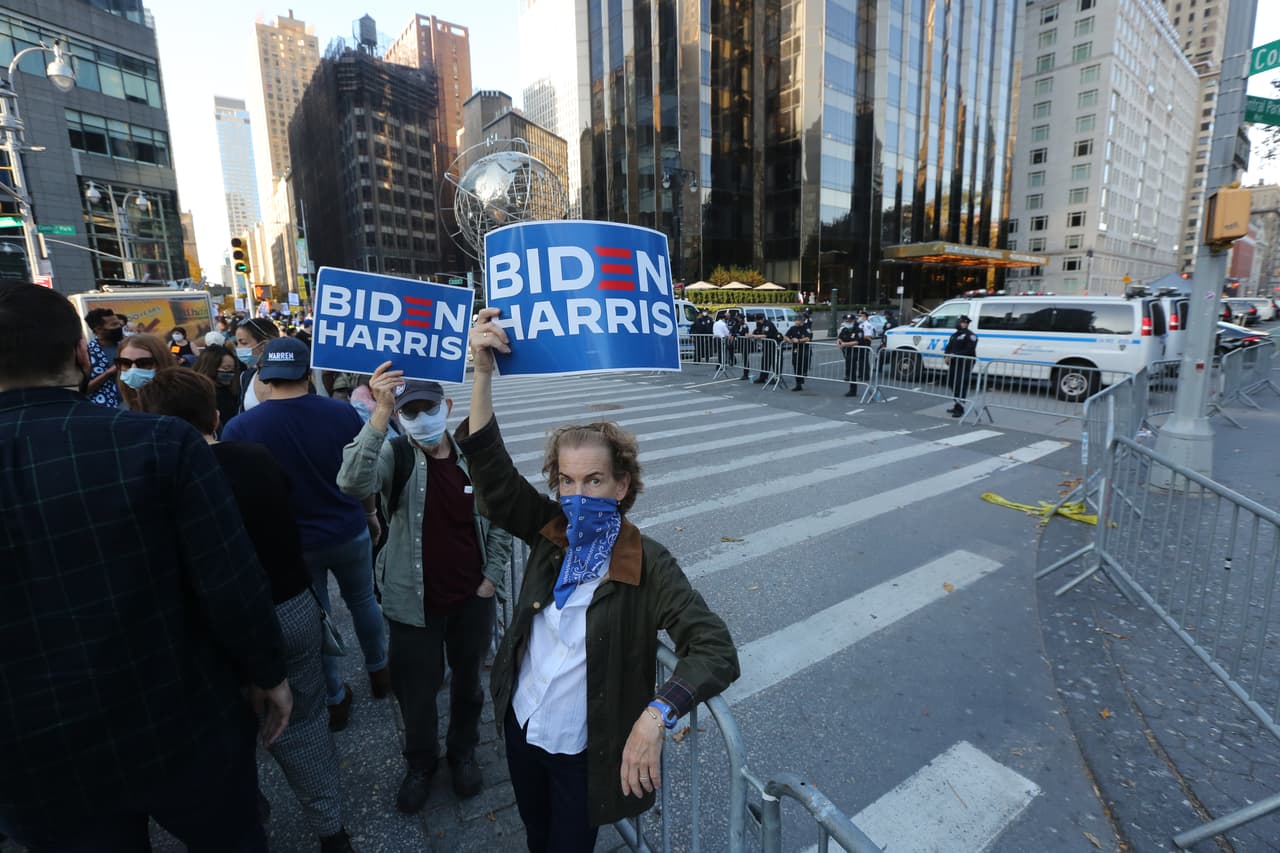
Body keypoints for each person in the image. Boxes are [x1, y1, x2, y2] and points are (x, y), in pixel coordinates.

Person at [0, 284, 290, 853]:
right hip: (176, 718)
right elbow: (227, 578)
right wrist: (267, 671)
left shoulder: (159, 442)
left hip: (32, 753)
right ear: (82, 354)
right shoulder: (160, 443)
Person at [459, 307, 739, 852]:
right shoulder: (551, 532)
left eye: (593, 480)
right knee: (536, 837)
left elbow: (715, 647)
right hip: (523, 723)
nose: (578, 494)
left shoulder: (648, 562)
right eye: (566, 481)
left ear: (621, 486)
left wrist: (658, 713)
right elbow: (492, 473)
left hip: (581, 751)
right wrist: (483, 373)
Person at [138, 370, 356, 853]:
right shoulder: (254, 459)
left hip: (208, 630)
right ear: (215, 416)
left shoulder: (156, 483)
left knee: (227, 730)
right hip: (289, 607)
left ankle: (249, 811)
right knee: (304, 722)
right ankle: (331, 828)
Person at [337, 367, 513, 815]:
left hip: (471, 598)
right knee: (416, 691)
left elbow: (500, 520)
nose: (420, 418)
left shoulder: (472, 457)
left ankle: (462, 752)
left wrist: (491, 577)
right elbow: (352, 482)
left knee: (469, 685)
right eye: (409, 411)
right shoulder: (395, 453)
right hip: (411, 601)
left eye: (428, 408)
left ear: (446, 407)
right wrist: (379, 414)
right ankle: (420, 763)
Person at [222, 336, 390, 731]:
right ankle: (381, 672)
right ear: (306, 374)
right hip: (348, 528)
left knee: (319, 620)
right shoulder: (342, 412)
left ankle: (334, 699)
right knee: (364, 601)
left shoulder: (241, 426)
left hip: (294, 545)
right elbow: (362, 471)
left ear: (264, 375)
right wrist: (370, 514)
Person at [115, 332, 178, 410]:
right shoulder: (123, 409)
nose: (133, 369)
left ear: (161, 362)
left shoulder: (182, 405)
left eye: (144, 363)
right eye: (125, 363)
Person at [233, 317, 281, 412]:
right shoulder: (246, 377)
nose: (238, 348)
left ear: (264, 345)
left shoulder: (293, 376)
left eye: (243, 343)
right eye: (237, 343)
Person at [193, 343, 242, 436]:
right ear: (210, 367)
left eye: (233, 369)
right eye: (225, 368)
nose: (230, 373)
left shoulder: (231, 391)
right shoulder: (197, 394)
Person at [84, 306, 122, 407]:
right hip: (107, 408)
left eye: (119, 323)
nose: (119, 327)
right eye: (114, 324)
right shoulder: (87, 354)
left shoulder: (126, 347)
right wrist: (109, 373)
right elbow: (84, 389)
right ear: (99, 329)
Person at [943, 314, 978, 417]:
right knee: (952, 383)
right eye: (960, 322)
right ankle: (956, 404)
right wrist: (946, 356)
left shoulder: (970, 336)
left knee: (960, 384)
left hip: (965, 363)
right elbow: (949, 347)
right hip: (954, 363)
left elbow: (969, 350)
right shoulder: (955, 335)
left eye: (963, 322)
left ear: (966, 324)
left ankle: (960, 408)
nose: (960, 323)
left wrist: (953, 355)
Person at [836, 313, 869, 397]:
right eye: (847, 321)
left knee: (853, 370)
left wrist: (844, 344)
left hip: (857, 352)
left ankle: (853, 390)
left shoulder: (858, 330)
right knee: (850, 368)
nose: (848, 323)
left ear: (854, 321)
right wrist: (839, 342)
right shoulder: (845, 330)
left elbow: (857, 341)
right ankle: (849, 381)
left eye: (850, 321)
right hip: (848, 352)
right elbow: (840, 338)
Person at [747, 312, 784, 384]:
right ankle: (763, 377)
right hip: (767, 346)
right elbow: (757, 331)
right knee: (765, 362)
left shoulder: (768, 324)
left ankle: (776, 377)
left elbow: (765, 335)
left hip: (775, 346)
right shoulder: (760, 324)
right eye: (756, 320)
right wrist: (751, 335)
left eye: (758, 320)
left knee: (775, 362)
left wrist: (754, 336)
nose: (757, 321)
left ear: (762, 319)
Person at [783, 314, 811, 391]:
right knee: (796, 365)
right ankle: (798, 384)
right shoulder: (793, 328)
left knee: (803, 365)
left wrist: (798, 340)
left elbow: (808, 338)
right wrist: (789, 340)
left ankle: (802, 377)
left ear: (801, 321)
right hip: (796, 349)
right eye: (795, 320)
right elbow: (785, 336)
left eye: (797, 320)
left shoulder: (806, 328)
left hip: (804, 349)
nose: (795, 322)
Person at [726, 310, 748, 378]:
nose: (738, 319)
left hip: (744, 343)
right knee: (729, 347)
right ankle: (733, 360)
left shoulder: (744, 326)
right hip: (737, 342)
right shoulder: (736, 324)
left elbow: (745, 334)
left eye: (739, 318)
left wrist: (735, 335)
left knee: (745, 359)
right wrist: (731, 339)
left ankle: (746, 373)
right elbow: (732, 332)